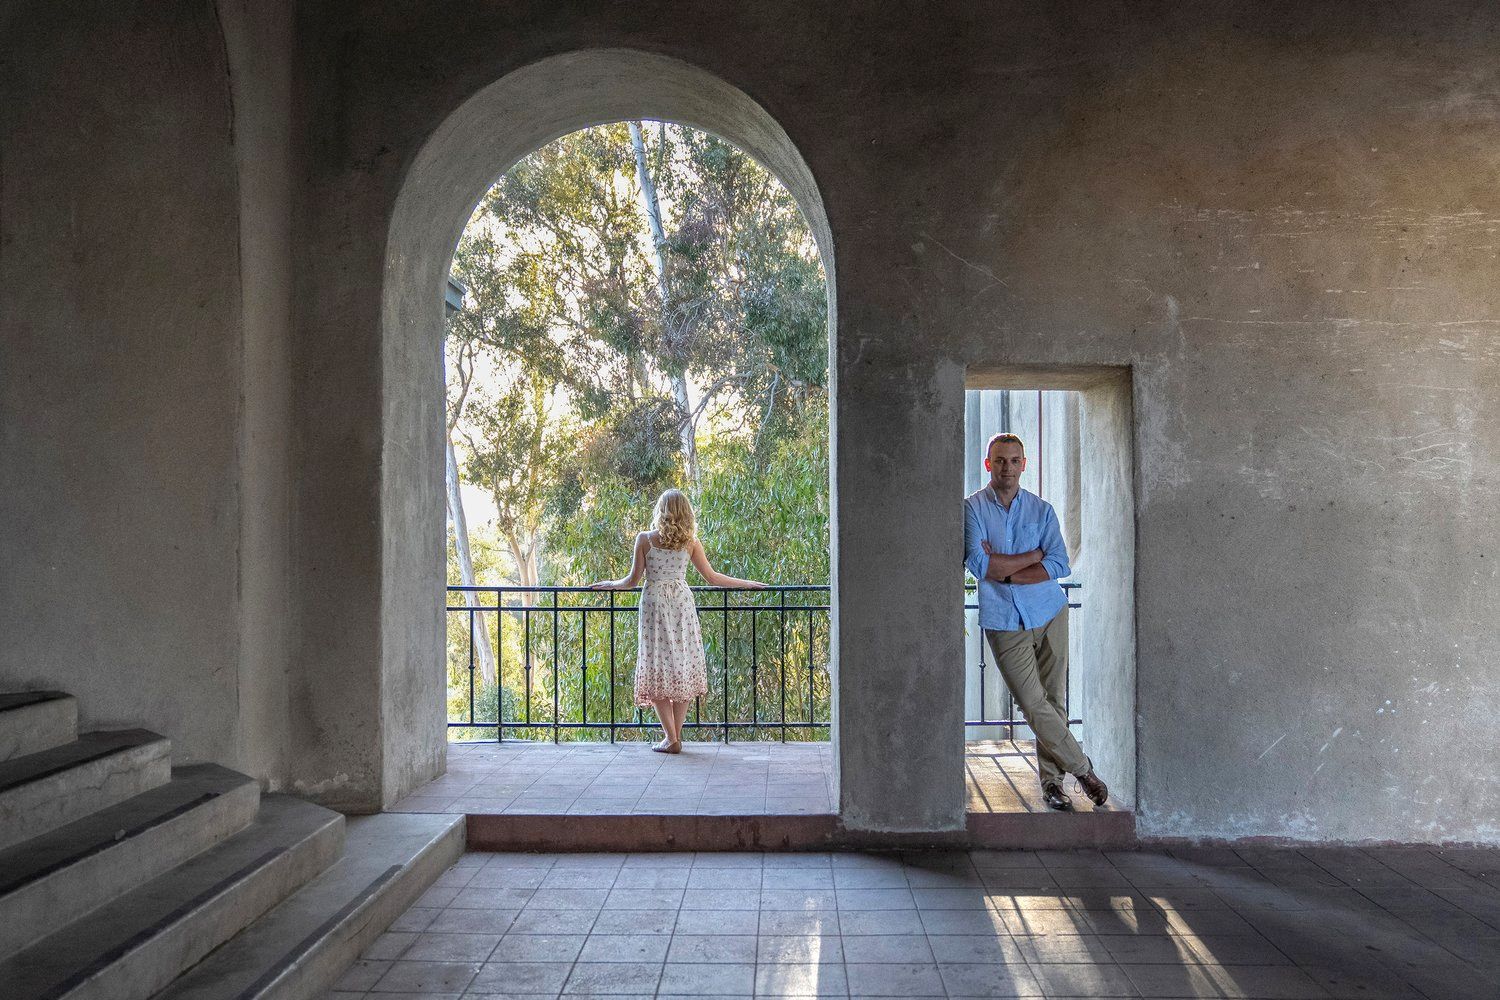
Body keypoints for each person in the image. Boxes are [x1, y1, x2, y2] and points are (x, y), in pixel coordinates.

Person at [963, 433, 1110, 811]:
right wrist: (1033, 556)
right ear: (988, 464)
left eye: (1014, 460)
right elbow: (980, 566)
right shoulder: (973, 509)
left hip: (1049, 613)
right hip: (1004, 622)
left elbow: (1060, 564)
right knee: (1033, 703)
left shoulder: (1042, 510)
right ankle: (1083, 769)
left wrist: (1006, 569)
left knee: (1054, 701)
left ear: (1024, 464)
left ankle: (1052, 785)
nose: (1007, 467)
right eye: (999, 460)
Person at [589, 489, 766, 753]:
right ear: (686, 512)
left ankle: (671, 738)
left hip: (655, 604)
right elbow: (712, 577)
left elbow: (631, 581)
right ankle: (675, 736)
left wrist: (610, 585)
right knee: (683, 663)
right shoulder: (690, 542)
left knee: (657, 663)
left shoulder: (645, 540)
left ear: (661, 510)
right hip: (681, 604)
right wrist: (747, 584)